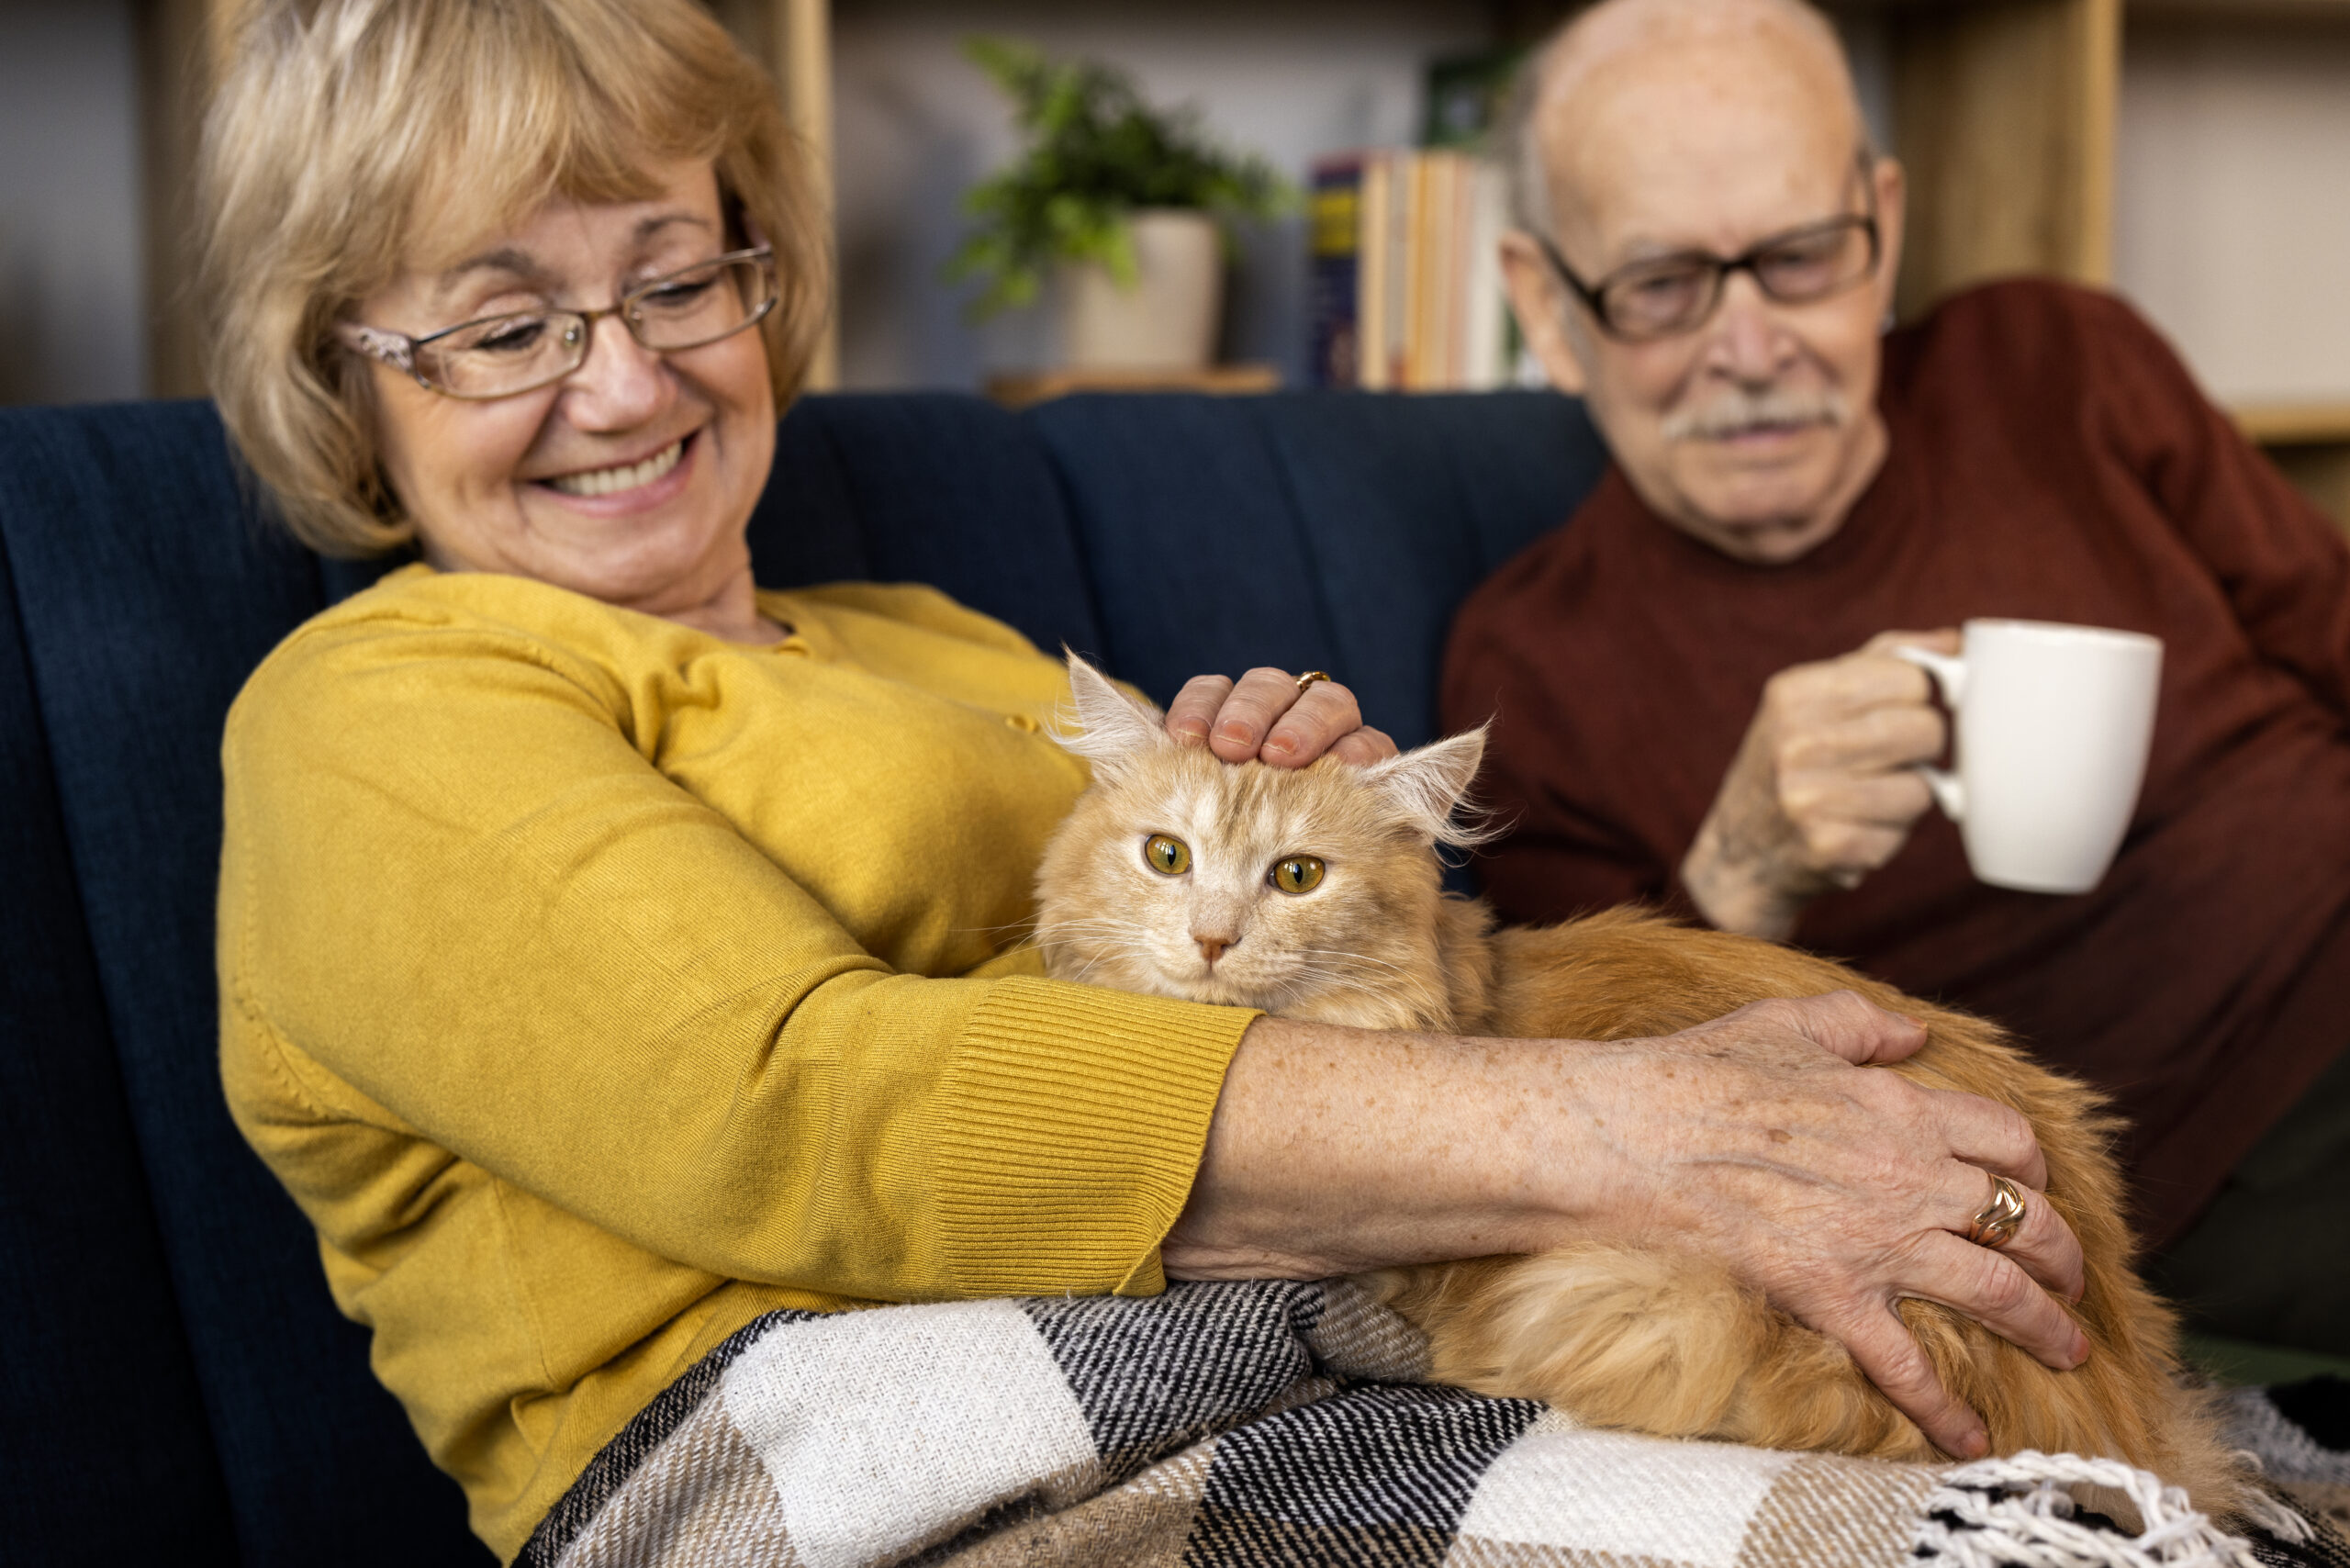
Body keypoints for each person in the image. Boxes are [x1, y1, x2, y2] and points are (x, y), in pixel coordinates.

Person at [204, 0, 2087, 1557]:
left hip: (1294, 1329)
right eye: (506, 323)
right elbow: (799, 1105)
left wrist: (1362, 896)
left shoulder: (931, 637)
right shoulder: (377, 703)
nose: (625, 385)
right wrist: (1645, 1135)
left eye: (676, 279)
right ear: (342, 369)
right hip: (836, 1440)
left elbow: (1318, 1010)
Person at [1443, 0, 2350, 1358]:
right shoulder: (1536, 666)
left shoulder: (2062, 364)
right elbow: (1628, 1137)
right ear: (1547, 307)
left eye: (1802, 258)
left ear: (1883, 231)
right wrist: (1742, 876)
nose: (1752, 348)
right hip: (2203, 1177)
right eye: (1664, 287)